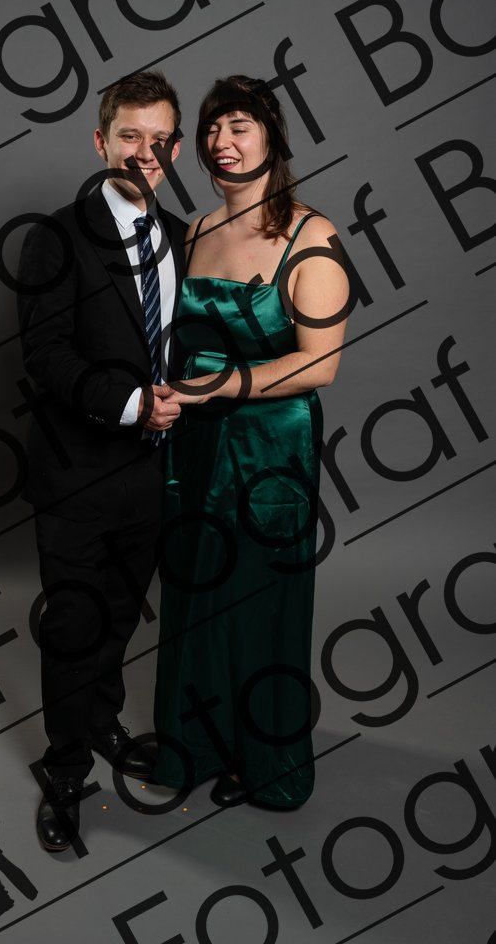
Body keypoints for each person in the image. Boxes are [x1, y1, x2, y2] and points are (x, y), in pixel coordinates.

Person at [153, 75, 349, 809]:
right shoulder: (194, 231)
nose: (221, 142)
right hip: (194, 442)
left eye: (238, 126)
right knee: (196, 591)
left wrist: (216, 386)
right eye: (211, 129)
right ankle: (197, 746)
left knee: (258, 599)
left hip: (271, 448)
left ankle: (266, 763)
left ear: (272, 136)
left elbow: (319, 364)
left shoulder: (311, 235)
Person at [17, 71, 187, 850]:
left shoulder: (184, 235)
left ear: (174, 150)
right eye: (130, 136)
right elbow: (46, 356)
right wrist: (131, 404)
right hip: (77, 473)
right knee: (75, 626)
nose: (145, 152)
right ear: (100, 142)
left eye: (160, 140)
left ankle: (103, 724)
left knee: (119, 616)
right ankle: (63, 771)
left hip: (152, 473)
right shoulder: (55, 237)